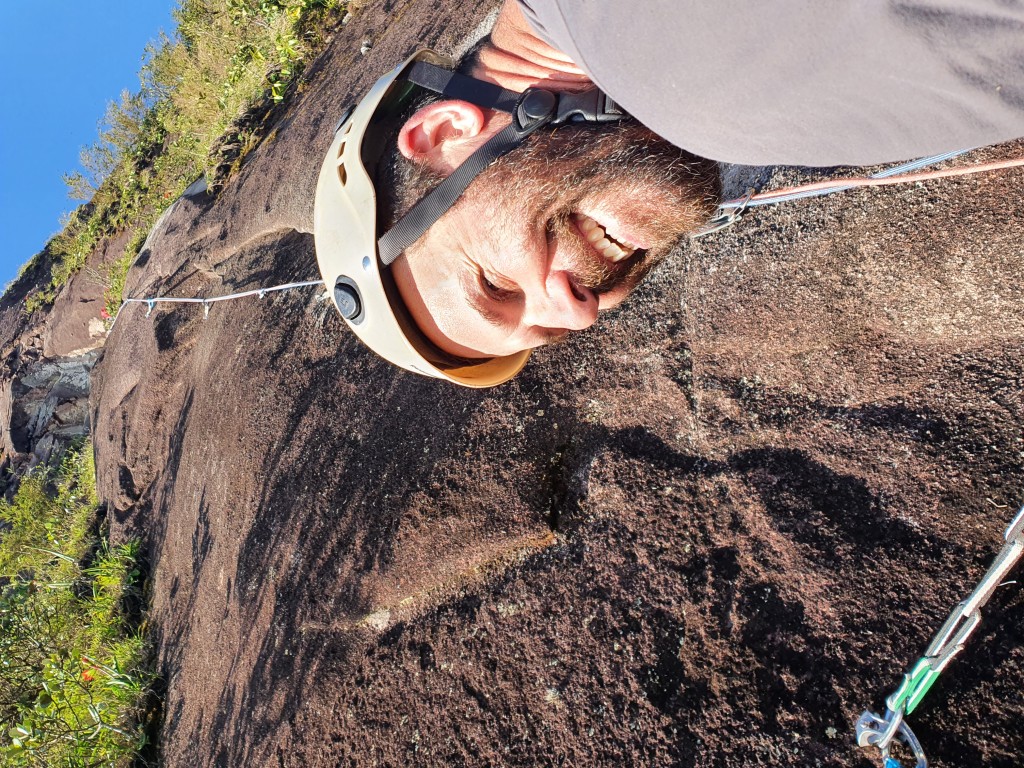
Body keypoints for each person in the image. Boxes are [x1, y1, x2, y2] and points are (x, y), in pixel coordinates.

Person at [314, 0, 1024, 386]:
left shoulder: (690, 86)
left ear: (443, 132)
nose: (582, 312)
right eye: (553, 327)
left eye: (493, 282)